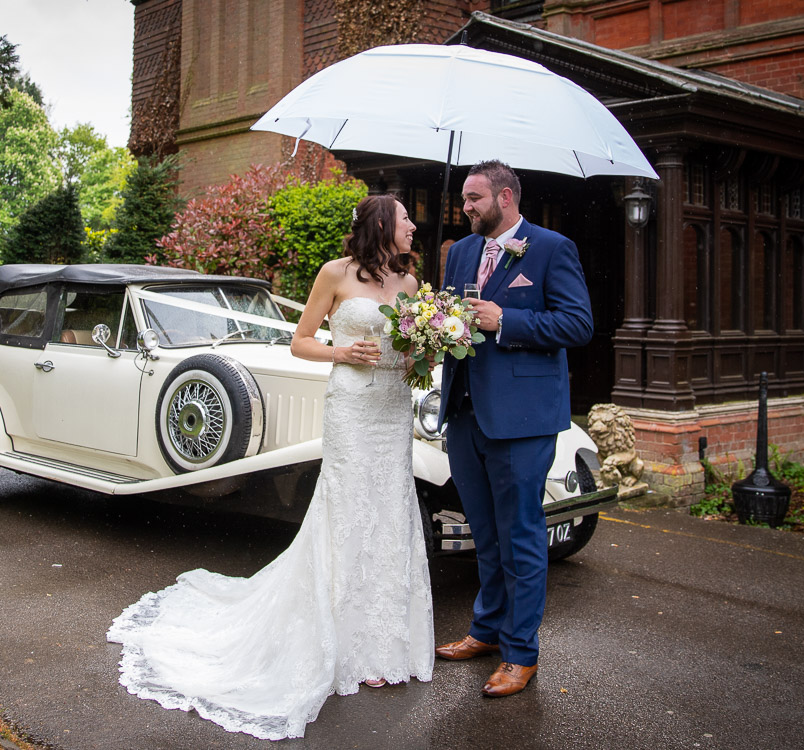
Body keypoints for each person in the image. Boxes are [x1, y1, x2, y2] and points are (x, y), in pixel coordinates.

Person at [106, 194, 434, 740]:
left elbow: (413, 351)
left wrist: (430, 346)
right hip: (352, 409)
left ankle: (384, 644)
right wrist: (342, 353)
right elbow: (301, 343)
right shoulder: (335, 273)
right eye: (405, 219)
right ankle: (337, 641)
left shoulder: (411, 284)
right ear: (382, 224)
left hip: (393, 411)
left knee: (391, 517)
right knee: (348, 514)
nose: (413, 226)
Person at [434, 160, 593, 697]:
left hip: (523, 421)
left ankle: (521, 653)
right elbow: (450, 320)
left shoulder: (551, 248)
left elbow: (577, 324)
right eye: (463, 198)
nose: (466, 207)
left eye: (474, 198)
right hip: (463, 413)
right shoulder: (459, 252)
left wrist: (507, 321)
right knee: (483, 531)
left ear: (505, 197)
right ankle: (487, 630)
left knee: (519, 534)